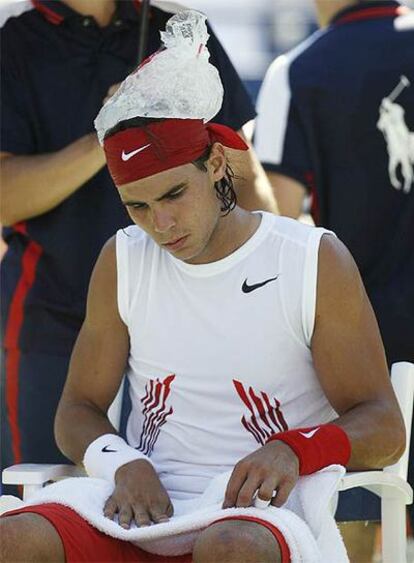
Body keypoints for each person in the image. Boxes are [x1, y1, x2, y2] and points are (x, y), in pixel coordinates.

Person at [0, 9, 405, 563]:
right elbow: (77, 410)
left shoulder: (312, 257)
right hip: (140, 508)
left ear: (217, 162)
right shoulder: (123, 256)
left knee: (229, 544)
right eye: (137, 206)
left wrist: (292, 450)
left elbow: (384, 426)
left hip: (259, 515)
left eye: (172, 196)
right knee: (12, 535)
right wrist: (123, 463)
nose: (159, 224)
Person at [0, 0, 276, 484]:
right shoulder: (14, 46)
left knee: (191, 500)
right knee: (44, 499)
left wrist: (274, 287)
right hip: (55, 317)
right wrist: (110, 130)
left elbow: (241, 172)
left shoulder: (181, 29)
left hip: (193, 319)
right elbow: (6, 195)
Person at [253, 0, 414, 556]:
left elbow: (274, 223)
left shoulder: (298, 70)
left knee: (355, 529)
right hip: (369, 358)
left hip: (366, 357)